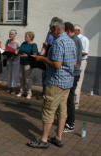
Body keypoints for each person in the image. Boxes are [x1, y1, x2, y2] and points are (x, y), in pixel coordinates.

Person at [27, 18, 76, 148]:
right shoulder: (71, 41)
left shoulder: (58, 42)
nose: (50, 32)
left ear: (55, 28)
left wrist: (41, 58)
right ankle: (58, 137)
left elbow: (57, 64)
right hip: (67, 82)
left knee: (48, 111)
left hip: (56, 82)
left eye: (50, 29)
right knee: (62, 111)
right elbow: (73, 62)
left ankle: (43, 140)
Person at [64, 22, 82, 133]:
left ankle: (70, 123)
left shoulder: (74, 40)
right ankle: (68, 120)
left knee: (69, 99)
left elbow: (74, 60)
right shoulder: (74, 39)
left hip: (73, 73)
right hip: (72, 72)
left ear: (67, 31)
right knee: (67, 98)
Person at [40, 17, 59, 94]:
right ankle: (44, 92)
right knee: (44, 75)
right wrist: (41, 54)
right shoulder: (49, 33)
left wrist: (49, 44)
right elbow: (46, 43)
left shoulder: (58, 35)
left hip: (53, 57)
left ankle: (49, 93)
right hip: (47, 55)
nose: (50, 29)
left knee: (50, 76)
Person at [17, 32, 38, 99]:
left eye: (26, 36)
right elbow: (20, 50)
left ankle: (29, 92)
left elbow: (35, 55)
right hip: (21, 62)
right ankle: (21, 91)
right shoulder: (23, 43)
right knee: (21, 77)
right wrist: (17, 51)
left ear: (31, 37)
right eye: (25, 36)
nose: (25, 37)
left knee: (27, 78)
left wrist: (27, 55)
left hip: (28, 63)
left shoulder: (33, 45)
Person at [74, 24, 90, 109]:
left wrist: (74, 53)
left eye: (74, 30)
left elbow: (85, 52)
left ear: (78, 31)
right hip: (74, 61)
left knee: (78, 82)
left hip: (81, 61)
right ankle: (71, 102)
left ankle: (76, 103)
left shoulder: (84, 39)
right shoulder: (73, 39)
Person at [4, 29, 20, 95]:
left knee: (14, 74)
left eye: (12, 34)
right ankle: (9, 86)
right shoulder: (8, 41)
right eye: (10, 34)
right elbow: (6, 48)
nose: (10, 35)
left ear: (15, 35)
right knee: (9, 73)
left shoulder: (17, 42)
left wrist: (16, 51)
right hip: (9, 59)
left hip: (15, 59)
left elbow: (19, 50)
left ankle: (14, 88)